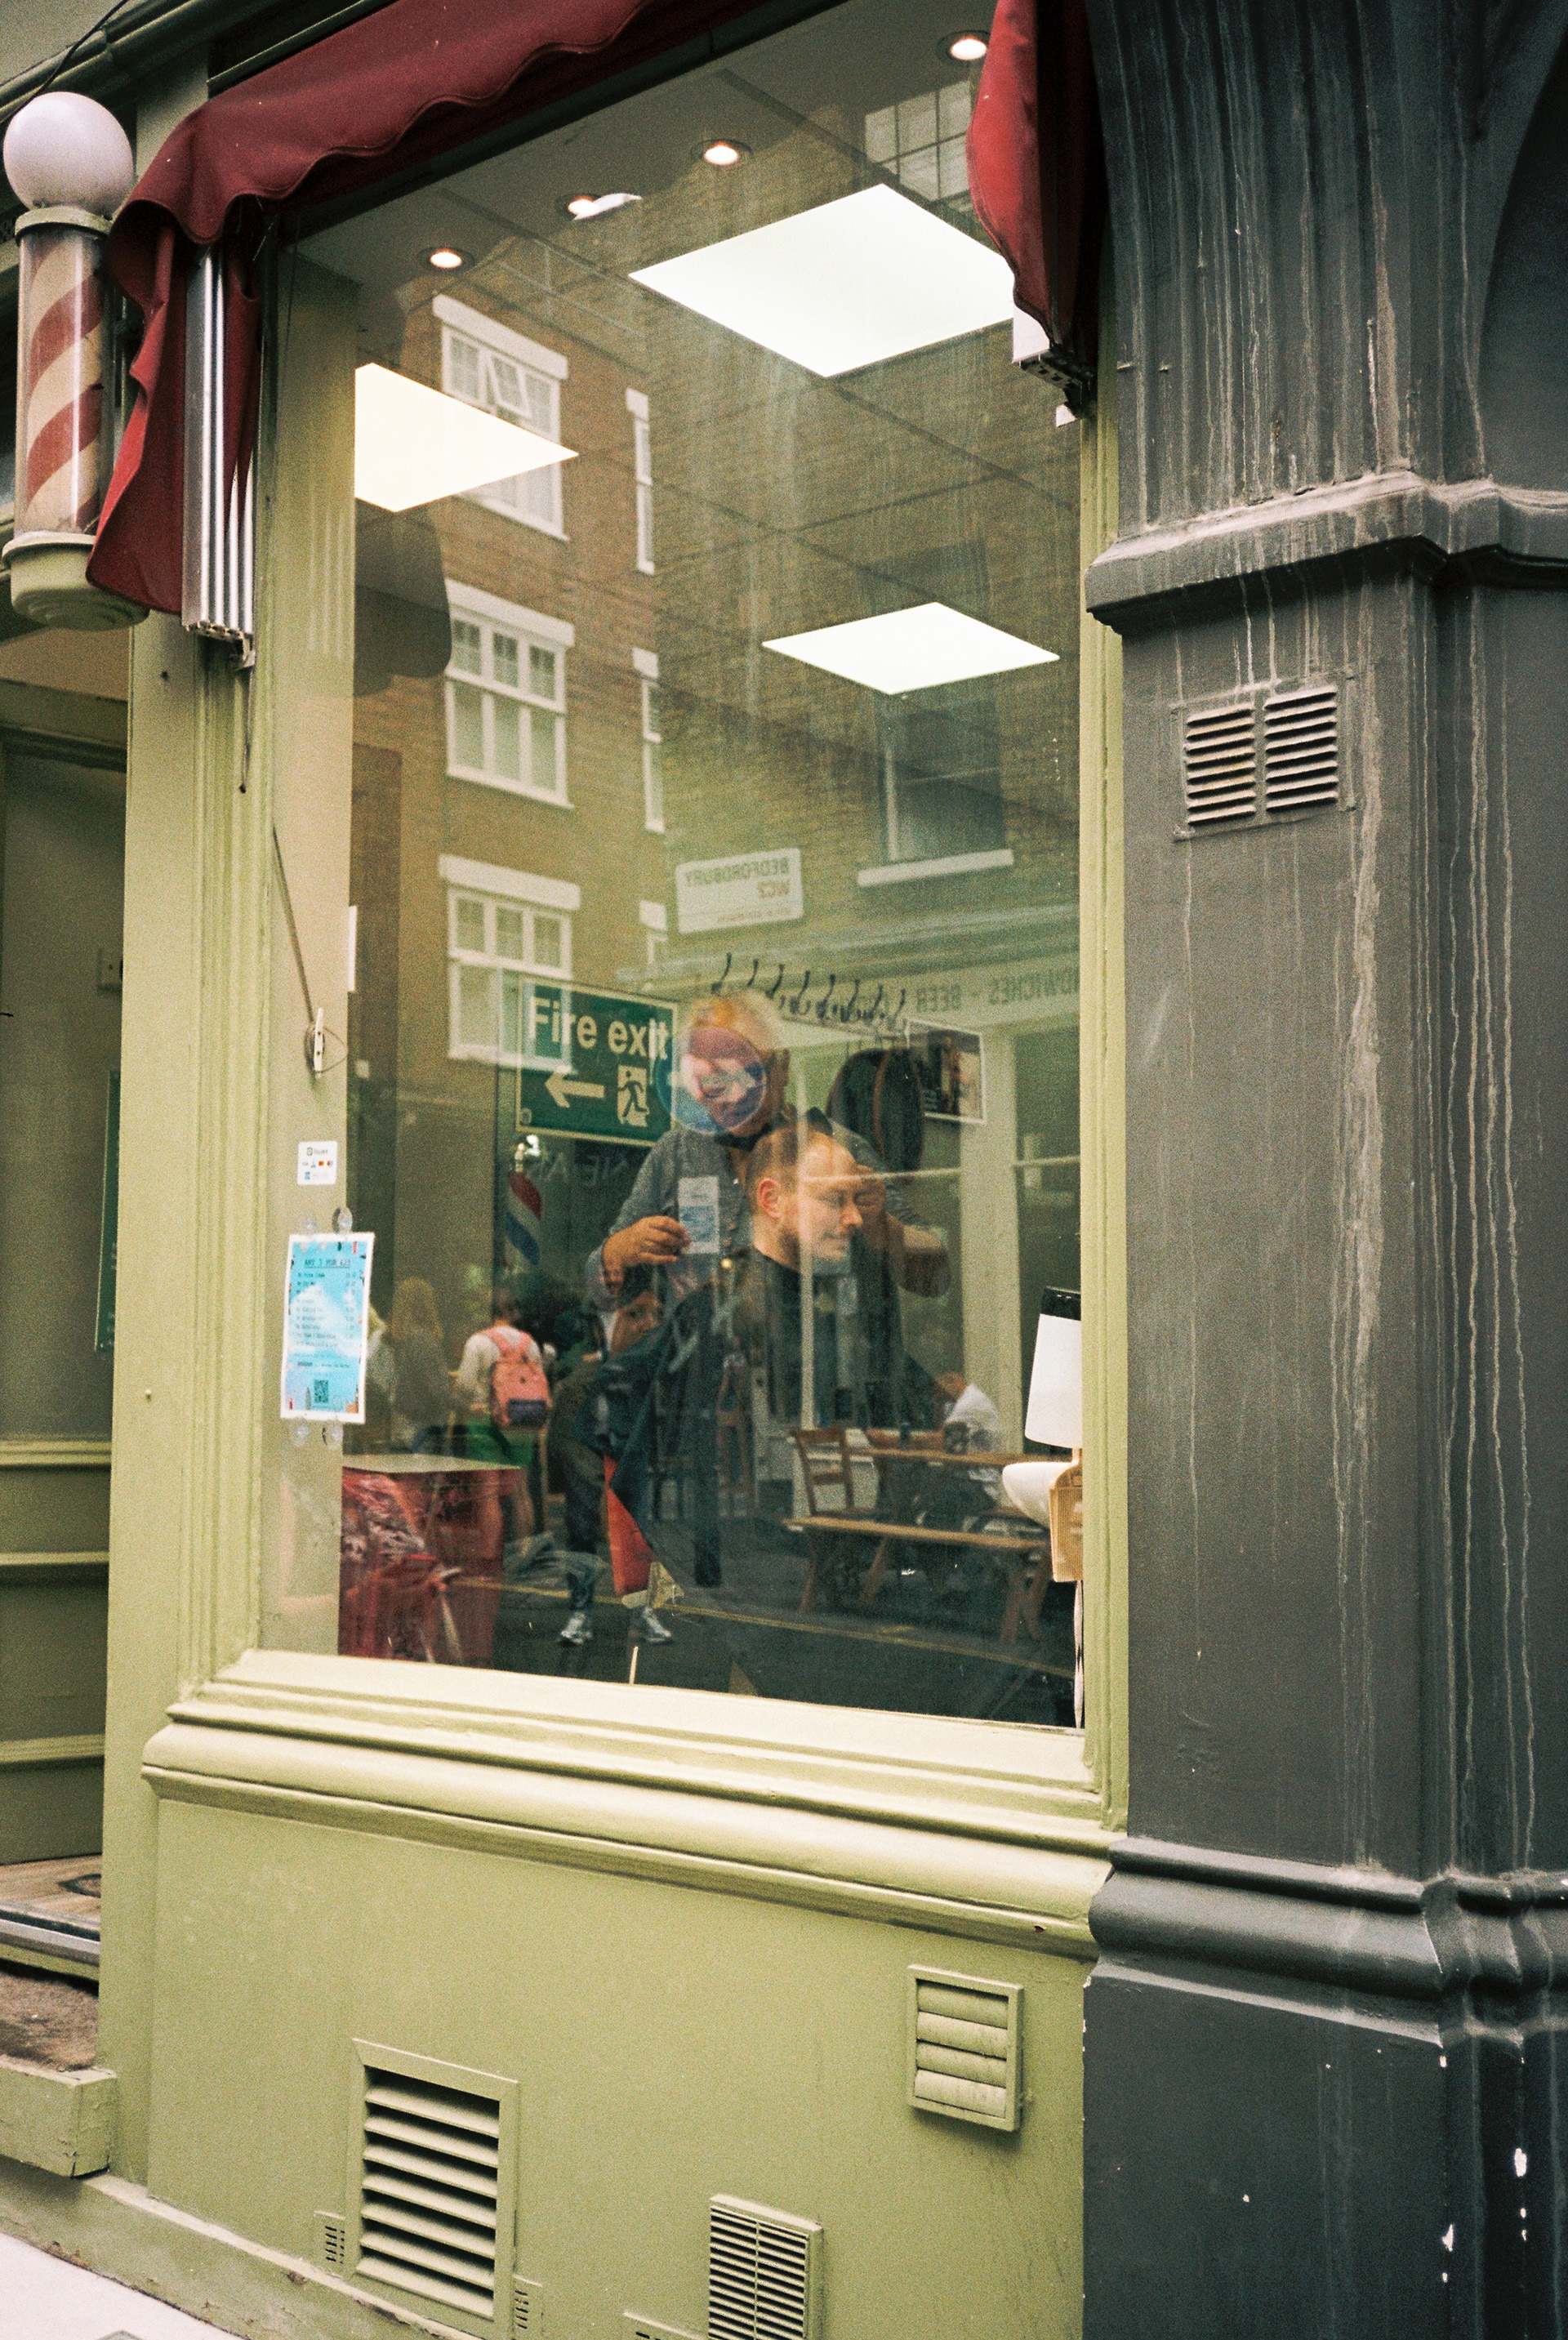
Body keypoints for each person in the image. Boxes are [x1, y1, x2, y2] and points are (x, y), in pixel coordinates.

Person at [584, 996, 947, 1583]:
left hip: (811, 1389)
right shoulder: (676, 1155)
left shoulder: (835, 1149)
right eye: (707, 1080)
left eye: (737, 1073)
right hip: (703, 1403)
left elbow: (935, 1275)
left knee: (807, 1570)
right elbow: (599, 1288)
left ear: (779, 1069)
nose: (720, 1093)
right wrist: (617, 1253)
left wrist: (881, 1224)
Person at [454, 1289, 545, 1569]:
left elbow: (465, 1386)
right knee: (521, 1493)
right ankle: (526, 1554)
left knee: (488, 1494)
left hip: (485, 1422)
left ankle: (489, 1558)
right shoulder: (530, 1345)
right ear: (514, 1312)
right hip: (521, 1420)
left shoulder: (478, 1342)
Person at [368, 1277, 452, 1455]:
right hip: (424, 1425)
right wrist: (463, 1405)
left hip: (397, 1423)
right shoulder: (423, 1340)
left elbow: (377, 1379)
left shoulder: (387, 1339)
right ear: (426, 1306)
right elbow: (436, 1390)